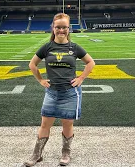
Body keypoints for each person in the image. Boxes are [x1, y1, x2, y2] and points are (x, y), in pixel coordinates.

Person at [23, 13, 95, 166]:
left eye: (64, 27)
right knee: (45, 124)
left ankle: (66, 154)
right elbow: (32, 64)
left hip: (70, 92)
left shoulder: (74, 47)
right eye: (58, 27)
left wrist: (81, 78)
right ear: (53, 28)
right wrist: (41, 80)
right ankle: (37, 155)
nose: (61, 30)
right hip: (52, 92)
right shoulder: (47, 47)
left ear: (69, 29)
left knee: (67, 123)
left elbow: (90, 63)